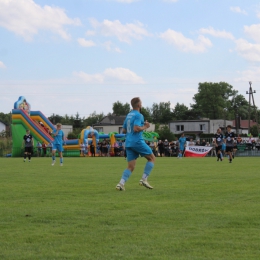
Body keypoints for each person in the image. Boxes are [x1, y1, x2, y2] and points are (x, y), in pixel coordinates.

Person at [116, 97, 155, 191]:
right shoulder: (139, 115)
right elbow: (136, 128)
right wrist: (145, 126)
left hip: (128, 142)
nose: (141, 104)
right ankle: (144, 179)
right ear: (138, 105)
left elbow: (124, 130)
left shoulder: (128, 115)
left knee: (131, 166)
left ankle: (121, 184)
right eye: (141, 103)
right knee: (152, 158)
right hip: (137, 141)